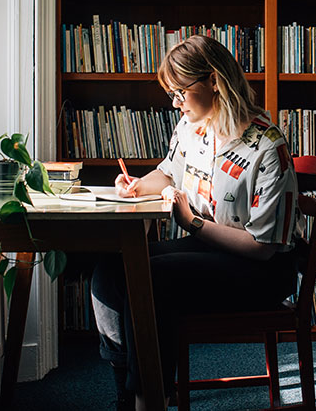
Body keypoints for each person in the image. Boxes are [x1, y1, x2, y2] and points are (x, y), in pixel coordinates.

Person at [91, 35, 304, 411]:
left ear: (215, 81)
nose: (174, 102)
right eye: (171, 93)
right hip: (212, 248)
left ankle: (147, 399)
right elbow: (168, 174)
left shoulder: (268, 146)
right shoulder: (192, 127)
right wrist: (138, 186)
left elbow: (264, 247)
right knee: (111, 268)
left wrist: (192, 224)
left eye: (180, 91)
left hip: (263, 268)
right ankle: (139, 390)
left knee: (151, 277)